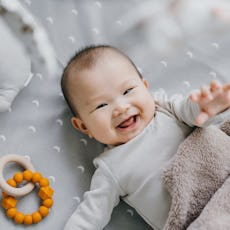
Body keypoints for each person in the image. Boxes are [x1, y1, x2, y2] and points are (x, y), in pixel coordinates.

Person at [61, 45, 230, 230]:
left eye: (127, 91)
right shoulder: (111, 168)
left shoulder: (167, 110)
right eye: (101, 105)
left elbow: (196, 114)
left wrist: (210, 106)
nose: (121, 108)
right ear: (84, 126)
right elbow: (88, 217)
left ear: (145, 87)